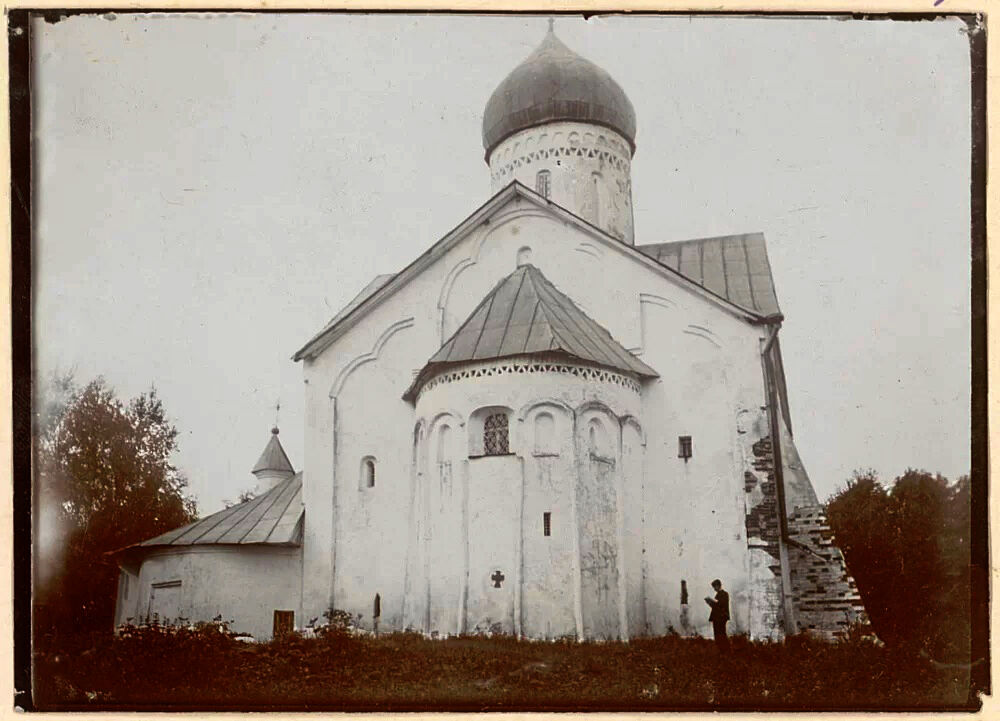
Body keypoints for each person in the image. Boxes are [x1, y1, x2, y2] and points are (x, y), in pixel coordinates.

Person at [704, 579, 730, 652]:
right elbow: (716, 606)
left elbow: (720, 606)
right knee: (718, 635)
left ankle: (725, 650)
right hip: (717, 618)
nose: (714, 589)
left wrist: (713, 602)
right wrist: (709, 602)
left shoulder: (724, 594)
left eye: (714, 587)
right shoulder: (719, 594)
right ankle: (721, 650)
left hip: (721, 618)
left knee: (721, 634)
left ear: (718, 586)